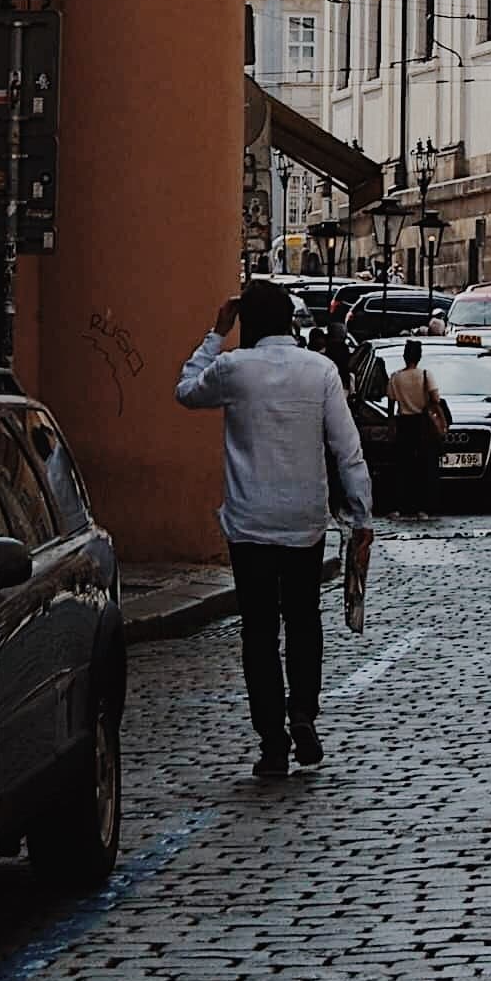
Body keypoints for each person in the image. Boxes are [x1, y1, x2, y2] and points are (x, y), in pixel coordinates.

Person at [177, 283, 375, 780]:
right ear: (290, 320)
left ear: (249, 322)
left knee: (260, 634)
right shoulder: (321, 371)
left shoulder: (234, 369)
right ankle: (303, 711)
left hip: (250, 523)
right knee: (305, 622)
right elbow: (346, 448)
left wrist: (214, 334)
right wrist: (362, 516)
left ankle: (272, 741)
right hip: (304, 521)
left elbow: (186, 390)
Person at [384, 340, 447, 515]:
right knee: (425, 466)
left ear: (404, 356)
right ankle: (424, 506)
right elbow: (435, 400)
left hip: (404, 423)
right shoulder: (426, 375)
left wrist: (391, 428)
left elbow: (391, 405)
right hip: (423, 424)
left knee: (404, 467)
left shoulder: (395, 377)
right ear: (419, 356)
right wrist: (442, 423)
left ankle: (404, 505)